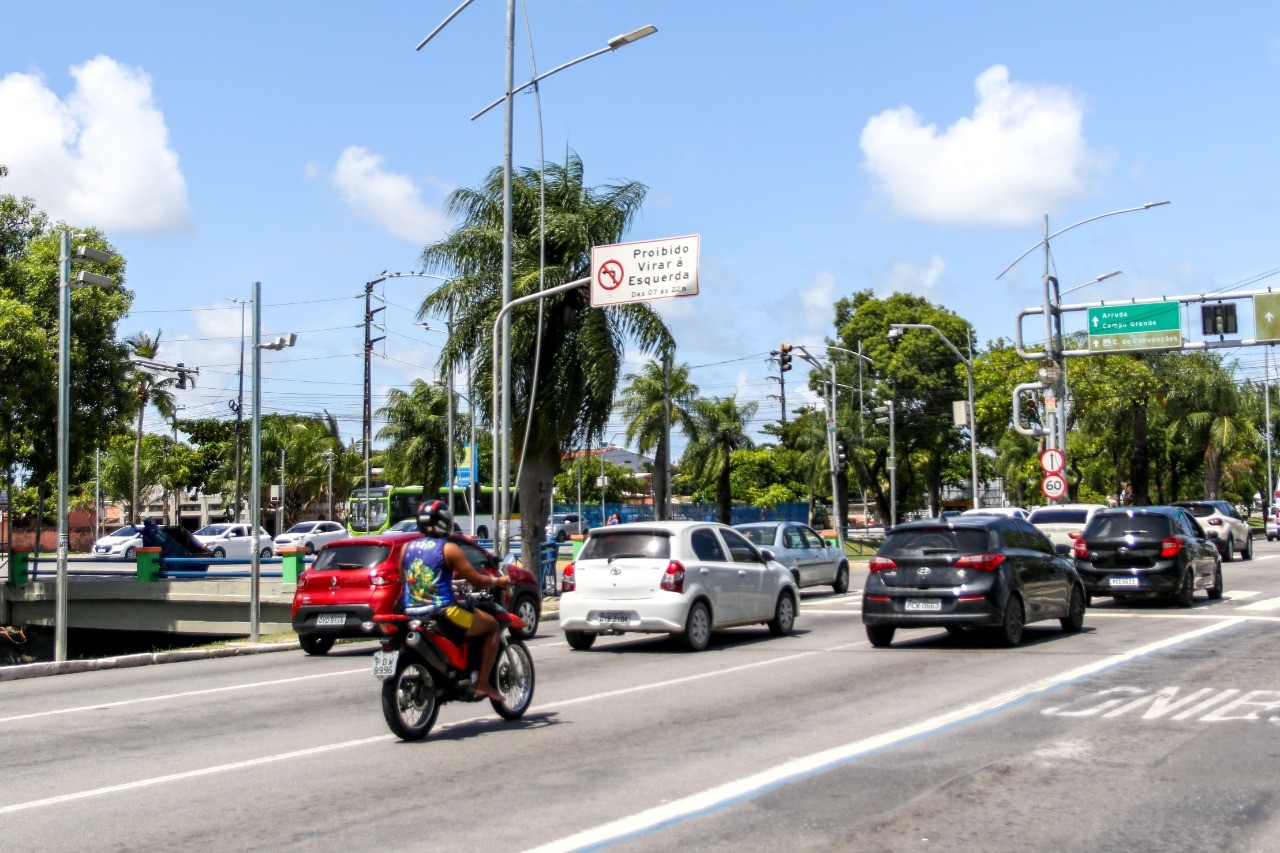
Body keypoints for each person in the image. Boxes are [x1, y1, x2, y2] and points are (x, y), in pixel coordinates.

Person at [401, 499, 510, 702]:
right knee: (492, 626)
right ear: (445, 521)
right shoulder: (449, 548)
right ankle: (483, 683)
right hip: (444, 613)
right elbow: (477, 579)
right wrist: (497, 581)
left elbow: (406, 580)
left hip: (412, 613)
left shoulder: (406, 548)